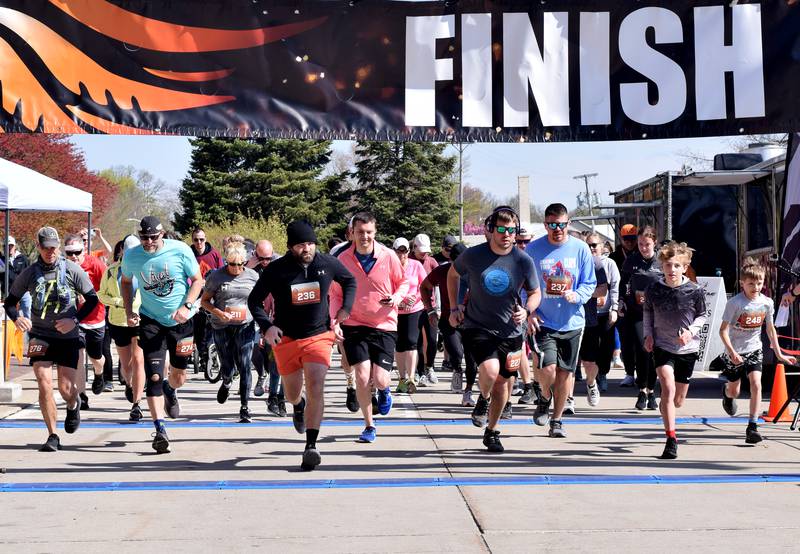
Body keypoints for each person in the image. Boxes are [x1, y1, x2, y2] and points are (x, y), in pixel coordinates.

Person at [249, 220, 356, 470]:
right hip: (286, 339)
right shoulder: (277, 270)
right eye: (300, 245)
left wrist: (345, 310)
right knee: (292, 393)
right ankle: (298, 406)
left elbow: (349, 281)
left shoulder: (326, 263)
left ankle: (311, 445)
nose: (306, 249)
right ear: (290, 246)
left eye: (310, 243)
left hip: (319, 336)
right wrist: (267, 326)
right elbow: (254, 301)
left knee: (316, 384)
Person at [449, 206, 541, 453]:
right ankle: (484, 397)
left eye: (511, 230)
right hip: (477, 326)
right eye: (501, 229)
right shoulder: (473, 255)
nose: (507, 235)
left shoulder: (523, 260)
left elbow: (535, 292)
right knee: (490, 370)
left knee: (503, 383)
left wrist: (527, 310)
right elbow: (452, 275)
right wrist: (454, 307)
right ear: (491, 230)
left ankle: (492, 430)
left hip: (511, 331)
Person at [3, 227, 98, 452]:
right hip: (40, 335)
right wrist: (17, 318)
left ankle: (73, 404)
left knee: (65, 389)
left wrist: (74, 321)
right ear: (38, 247)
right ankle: (52, 435)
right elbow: (10, 302)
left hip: (67, 336)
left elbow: (93, 300)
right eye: (45, 248)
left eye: (54, 248)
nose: (50, 252)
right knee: (44, 382)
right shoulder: (30, 272)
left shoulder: (73, 270)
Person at [121, 216, 205, 454]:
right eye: (144, 237)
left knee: (178, 376)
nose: (148, 242)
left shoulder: (179, 250)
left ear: (162, 235)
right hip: (151, 321)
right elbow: (126, 282)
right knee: (154, 377)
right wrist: (129, 310)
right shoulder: (132, 256)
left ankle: (171, 389)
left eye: (153, 237)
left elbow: (198, 280)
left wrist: (187, 306)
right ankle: (160, 430)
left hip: (182, 322)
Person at [329, 212, 408, 443]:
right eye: (360, 232)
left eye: (369, 232)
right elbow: (334, 294)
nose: (364, 237)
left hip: (384, 323)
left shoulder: (388, 256)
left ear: (375, 232)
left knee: (380, 378)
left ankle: (384, 391)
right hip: (354, 324)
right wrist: (335, 320)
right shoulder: (342, 260)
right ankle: (368, 425)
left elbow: (403, 282)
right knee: (362, 377)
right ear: (352, 233)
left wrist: (396, 297)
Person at [525, 203, 596, 438]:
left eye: (562, 225)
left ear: (569, 224)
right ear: (546, 225)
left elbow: (590, 283)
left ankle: (557, 420)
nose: (558, 229)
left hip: (573, 321)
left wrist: (578, 295)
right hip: (543, 320)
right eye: (553, 225)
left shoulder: (581, 248)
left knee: (566, 373)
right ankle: (544, 396)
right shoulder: (533, 250)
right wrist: (530, 312)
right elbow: (523, 286)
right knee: (549, 369)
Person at [719, 258, 795, 444]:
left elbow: (770, 329)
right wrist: (731, 352)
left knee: (756, 384)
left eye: (759, 283)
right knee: (734, 391)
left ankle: (752, 427)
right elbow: (723, 330)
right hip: (734, 351)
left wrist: (779, 353)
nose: (756, 287)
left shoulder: (767, 302)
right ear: (742, 283)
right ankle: (727, 394)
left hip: (754, 349)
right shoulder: (735, 303)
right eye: (751, 283)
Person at [643, 241, 706, 460]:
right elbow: (648, 312)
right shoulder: (654, 289)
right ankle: (671, 439)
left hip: (687, 348)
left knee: (678, 399)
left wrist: (690, 331)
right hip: (663, 344)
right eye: (668, 265)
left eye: (676, 266)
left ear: (685, 267)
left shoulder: (695, 290)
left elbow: (702, 315)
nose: (672, 270)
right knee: (667, 388)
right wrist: (648, 334)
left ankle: (668, 406)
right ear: (662, 267)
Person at [201, 241, 260, 423]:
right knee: (227, 365)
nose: (235, 268)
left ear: (245, 262)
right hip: (222, 326)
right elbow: (204, 301)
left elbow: (259, 300)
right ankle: (226, 381)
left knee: (244, 365)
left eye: (240, 264)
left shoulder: (253, 276)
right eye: (232, 264)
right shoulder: (217, 276)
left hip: (245, 325)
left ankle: (244, 407)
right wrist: (218, 312)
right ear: (227, 262)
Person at [98, 235, 145, 422]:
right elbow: (101, 294)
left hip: (140, 320)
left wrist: (135, 309)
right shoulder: (111, 271)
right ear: (122, 251)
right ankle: (129, 384)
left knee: (138, 359)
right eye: (128, 250)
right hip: (118, 321)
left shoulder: (145, 270)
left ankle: (137, 403)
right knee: (126, 365)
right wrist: (119, 302)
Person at [421, 243, 475, 402]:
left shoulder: (474, 272)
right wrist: (430, 310)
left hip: (472, 321)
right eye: (457, 262)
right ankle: (457, 369)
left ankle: (469, 391)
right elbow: (424, 286)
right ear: (451, 261)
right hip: (448, 320)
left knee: (472, 359)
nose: (460, 266)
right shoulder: (443, 271)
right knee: (457, 354)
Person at [620, 226, 662, 410]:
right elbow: (623, 284)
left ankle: (651, 391)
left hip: (659, 314)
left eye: (647, 244)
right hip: (637, 313)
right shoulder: (631, 261)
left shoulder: (662, 261)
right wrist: (621, 301)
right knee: (643, 349)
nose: (643, 248)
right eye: (640, 244)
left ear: (655, 243)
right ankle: (642, 390)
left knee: (653, 354)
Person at [63, 233, 109, 396]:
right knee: (79, 357)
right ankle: (81, 395)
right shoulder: (62, 267)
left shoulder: (95, 265)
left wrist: (91, 296)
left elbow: (108, 289)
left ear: (84, 250)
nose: (74, 256)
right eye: (69, 253)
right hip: (75, 320)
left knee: (96, 358)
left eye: (77, 252)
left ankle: (99, 373)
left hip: (95, 318)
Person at [247, 240, 281, 402]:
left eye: (269, 258)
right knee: (254, 347)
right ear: (255, 254)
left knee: (270, 350)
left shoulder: (280, 262)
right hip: (254, 310)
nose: (266, 262)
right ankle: (262, 374)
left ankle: (273, 385)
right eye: (262, 259)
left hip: (274, 312)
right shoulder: (247, 263)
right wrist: (248, 266)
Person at [586, 233, 620, 393]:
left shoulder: (609, 264)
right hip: (588, 314)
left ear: (602, 246)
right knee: (590, 348)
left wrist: (614, 308)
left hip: (606, 312)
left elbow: (614, 286)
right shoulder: (584, 263)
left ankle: (603, 373)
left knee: (607, 347)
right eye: (589, 245)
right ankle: (590, 376)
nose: (592, 248)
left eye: (594, 245)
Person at [392, 237, 426, 394]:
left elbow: (425, 286)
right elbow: (384, 285)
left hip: (414, 309)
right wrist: (397, 299)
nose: (402, 255)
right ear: (394, 251)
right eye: (398, 252)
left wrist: (416, 298)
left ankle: (411, 378)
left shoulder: (416, 265)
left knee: (412, 342)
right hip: (396, 309)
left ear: (408, 251)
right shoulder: (389, 266)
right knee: (399, 345)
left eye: (404, 251)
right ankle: (401, 378)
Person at [190, 227, 224, 376]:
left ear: (205, 239)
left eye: (201, 239)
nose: (199, 243)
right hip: (195, 297)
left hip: (212, 297)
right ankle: (203, 357)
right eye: (196, 240)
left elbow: (222, 272)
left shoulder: (214, 254)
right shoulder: (188, 254)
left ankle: (212, 354)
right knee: (198, 329)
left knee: (212, 327)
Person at [411, 234, 440, 385]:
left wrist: (438, 308)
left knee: (432, 339)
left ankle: (430, 367)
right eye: (421, 251)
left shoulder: (432, 262)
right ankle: (419, 371)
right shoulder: (408, 260)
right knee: (417, 341)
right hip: (413, 307)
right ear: (414, 248)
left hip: (431, 306)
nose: (424, 254)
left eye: (426, 251)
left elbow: (440, 283)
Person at [611, 223, 638, 383]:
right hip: (622, 302)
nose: (629, 242)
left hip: (641, 303)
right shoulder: (614, 257)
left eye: (632, 238)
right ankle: (629, 373)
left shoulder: (640, 254)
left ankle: (643, 376)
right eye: (626, 239)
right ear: (621, 238)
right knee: (626, 339)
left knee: (640, 342)